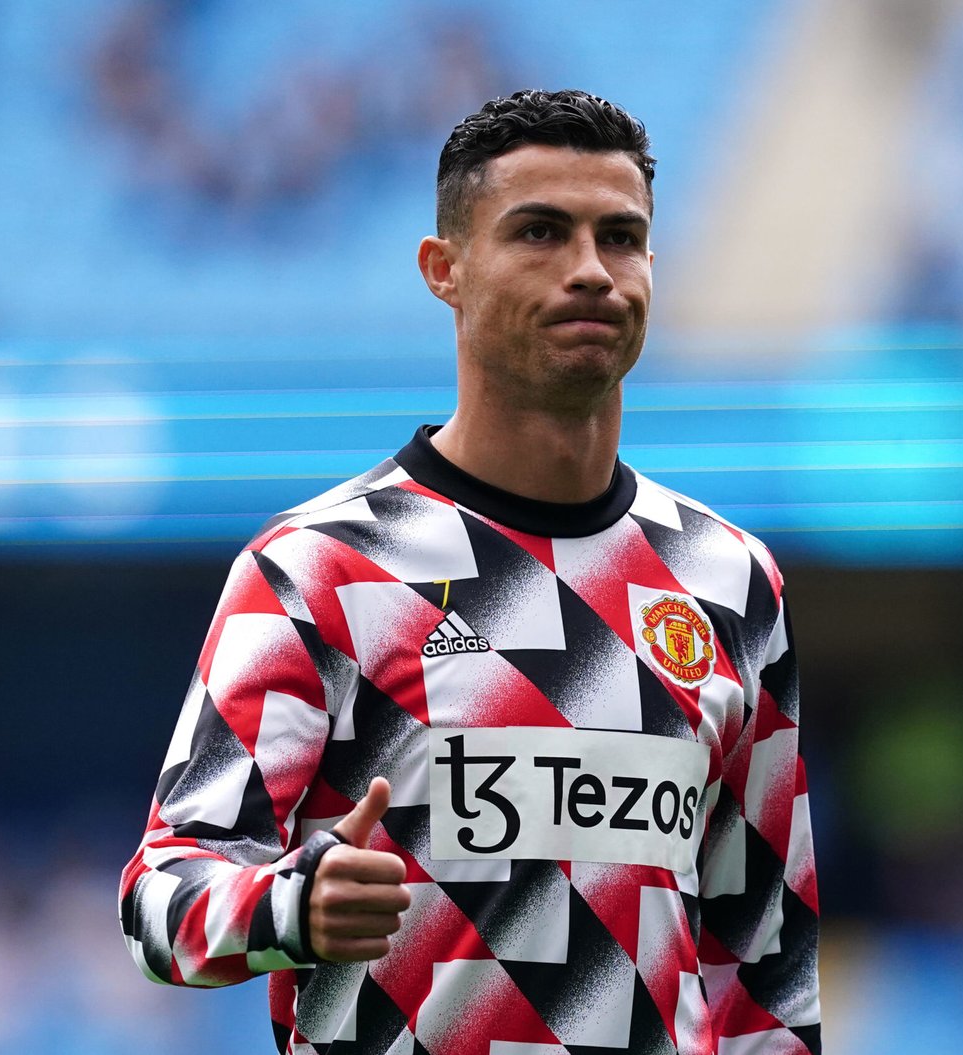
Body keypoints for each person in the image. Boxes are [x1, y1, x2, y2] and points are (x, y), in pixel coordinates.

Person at [120, 88, 822, 1055]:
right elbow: (160, 898)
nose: (590, 269)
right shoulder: (319, 568)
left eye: (620, 238)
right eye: (540, 232)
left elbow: (768, 968)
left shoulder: (728, 579)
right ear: (443, 269)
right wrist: (289, 906)